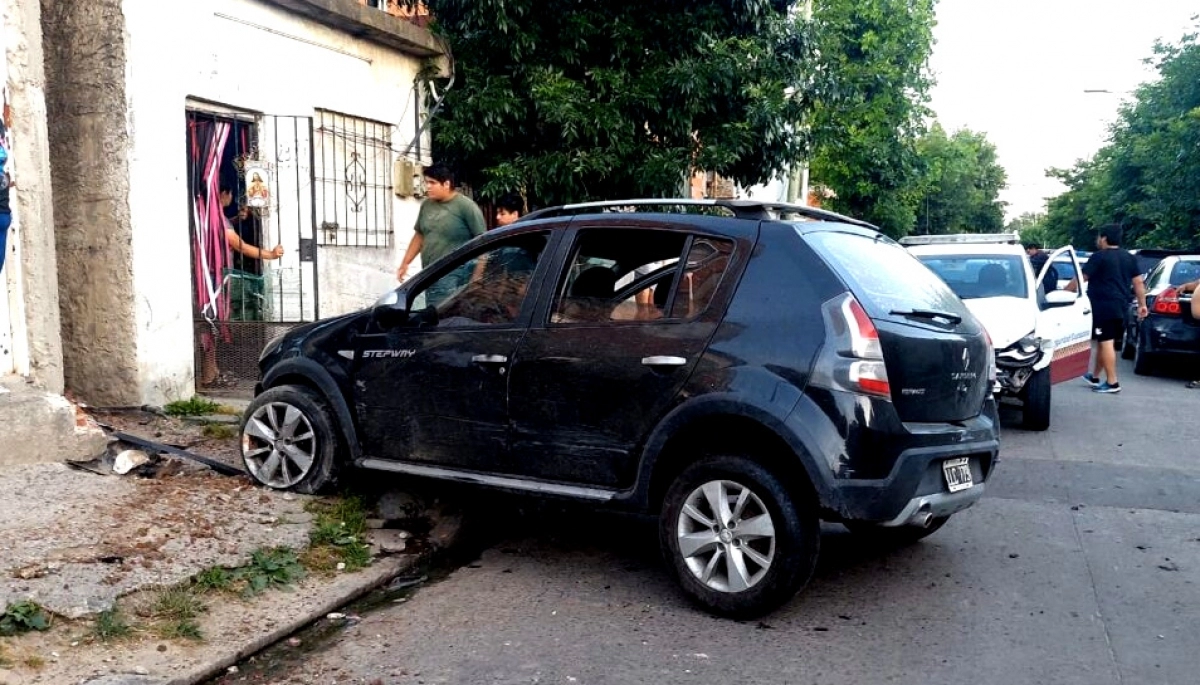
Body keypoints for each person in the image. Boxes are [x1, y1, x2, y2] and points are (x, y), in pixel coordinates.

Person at [1067, 224, 1147, 394]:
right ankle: (1095, 376)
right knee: (1106, 341)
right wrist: (1142, 305)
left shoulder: (1099, 257)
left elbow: (1081, 279)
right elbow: (1138, 282)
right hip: (1122, 306)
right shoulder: (1129, 258)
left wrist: (1065, 293)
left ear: (1103, 238)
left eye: (1098, 237)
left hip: (1103, 306)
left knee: (1106, 342)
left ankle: (1112, 382)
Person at [395, 163, 486, 285]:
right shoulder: (426, 205)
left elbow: (483, 243)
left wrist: (476, 279)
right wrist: (405, 263)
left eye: (432, 183)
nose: (428, 186)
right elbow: (420, 235)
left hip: (457, 278)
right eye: (426, 182)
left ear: (446, 184)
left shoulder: (467, 207)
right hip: (429, 275)